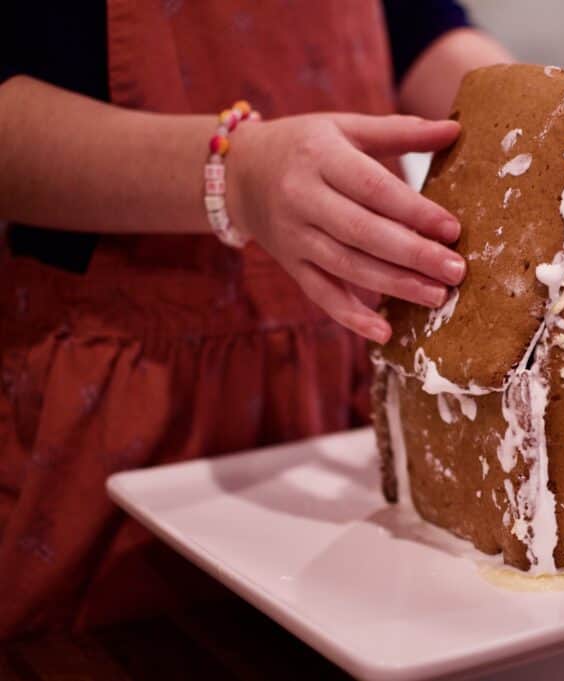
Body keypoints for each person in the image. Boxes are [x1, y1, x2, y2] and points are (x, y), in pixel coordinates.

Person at [0, 2, 511, 636]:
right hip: (111, 413)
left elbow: (419, 32)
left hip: (338, 384)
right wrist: (235, 173)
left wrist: (543, 119)